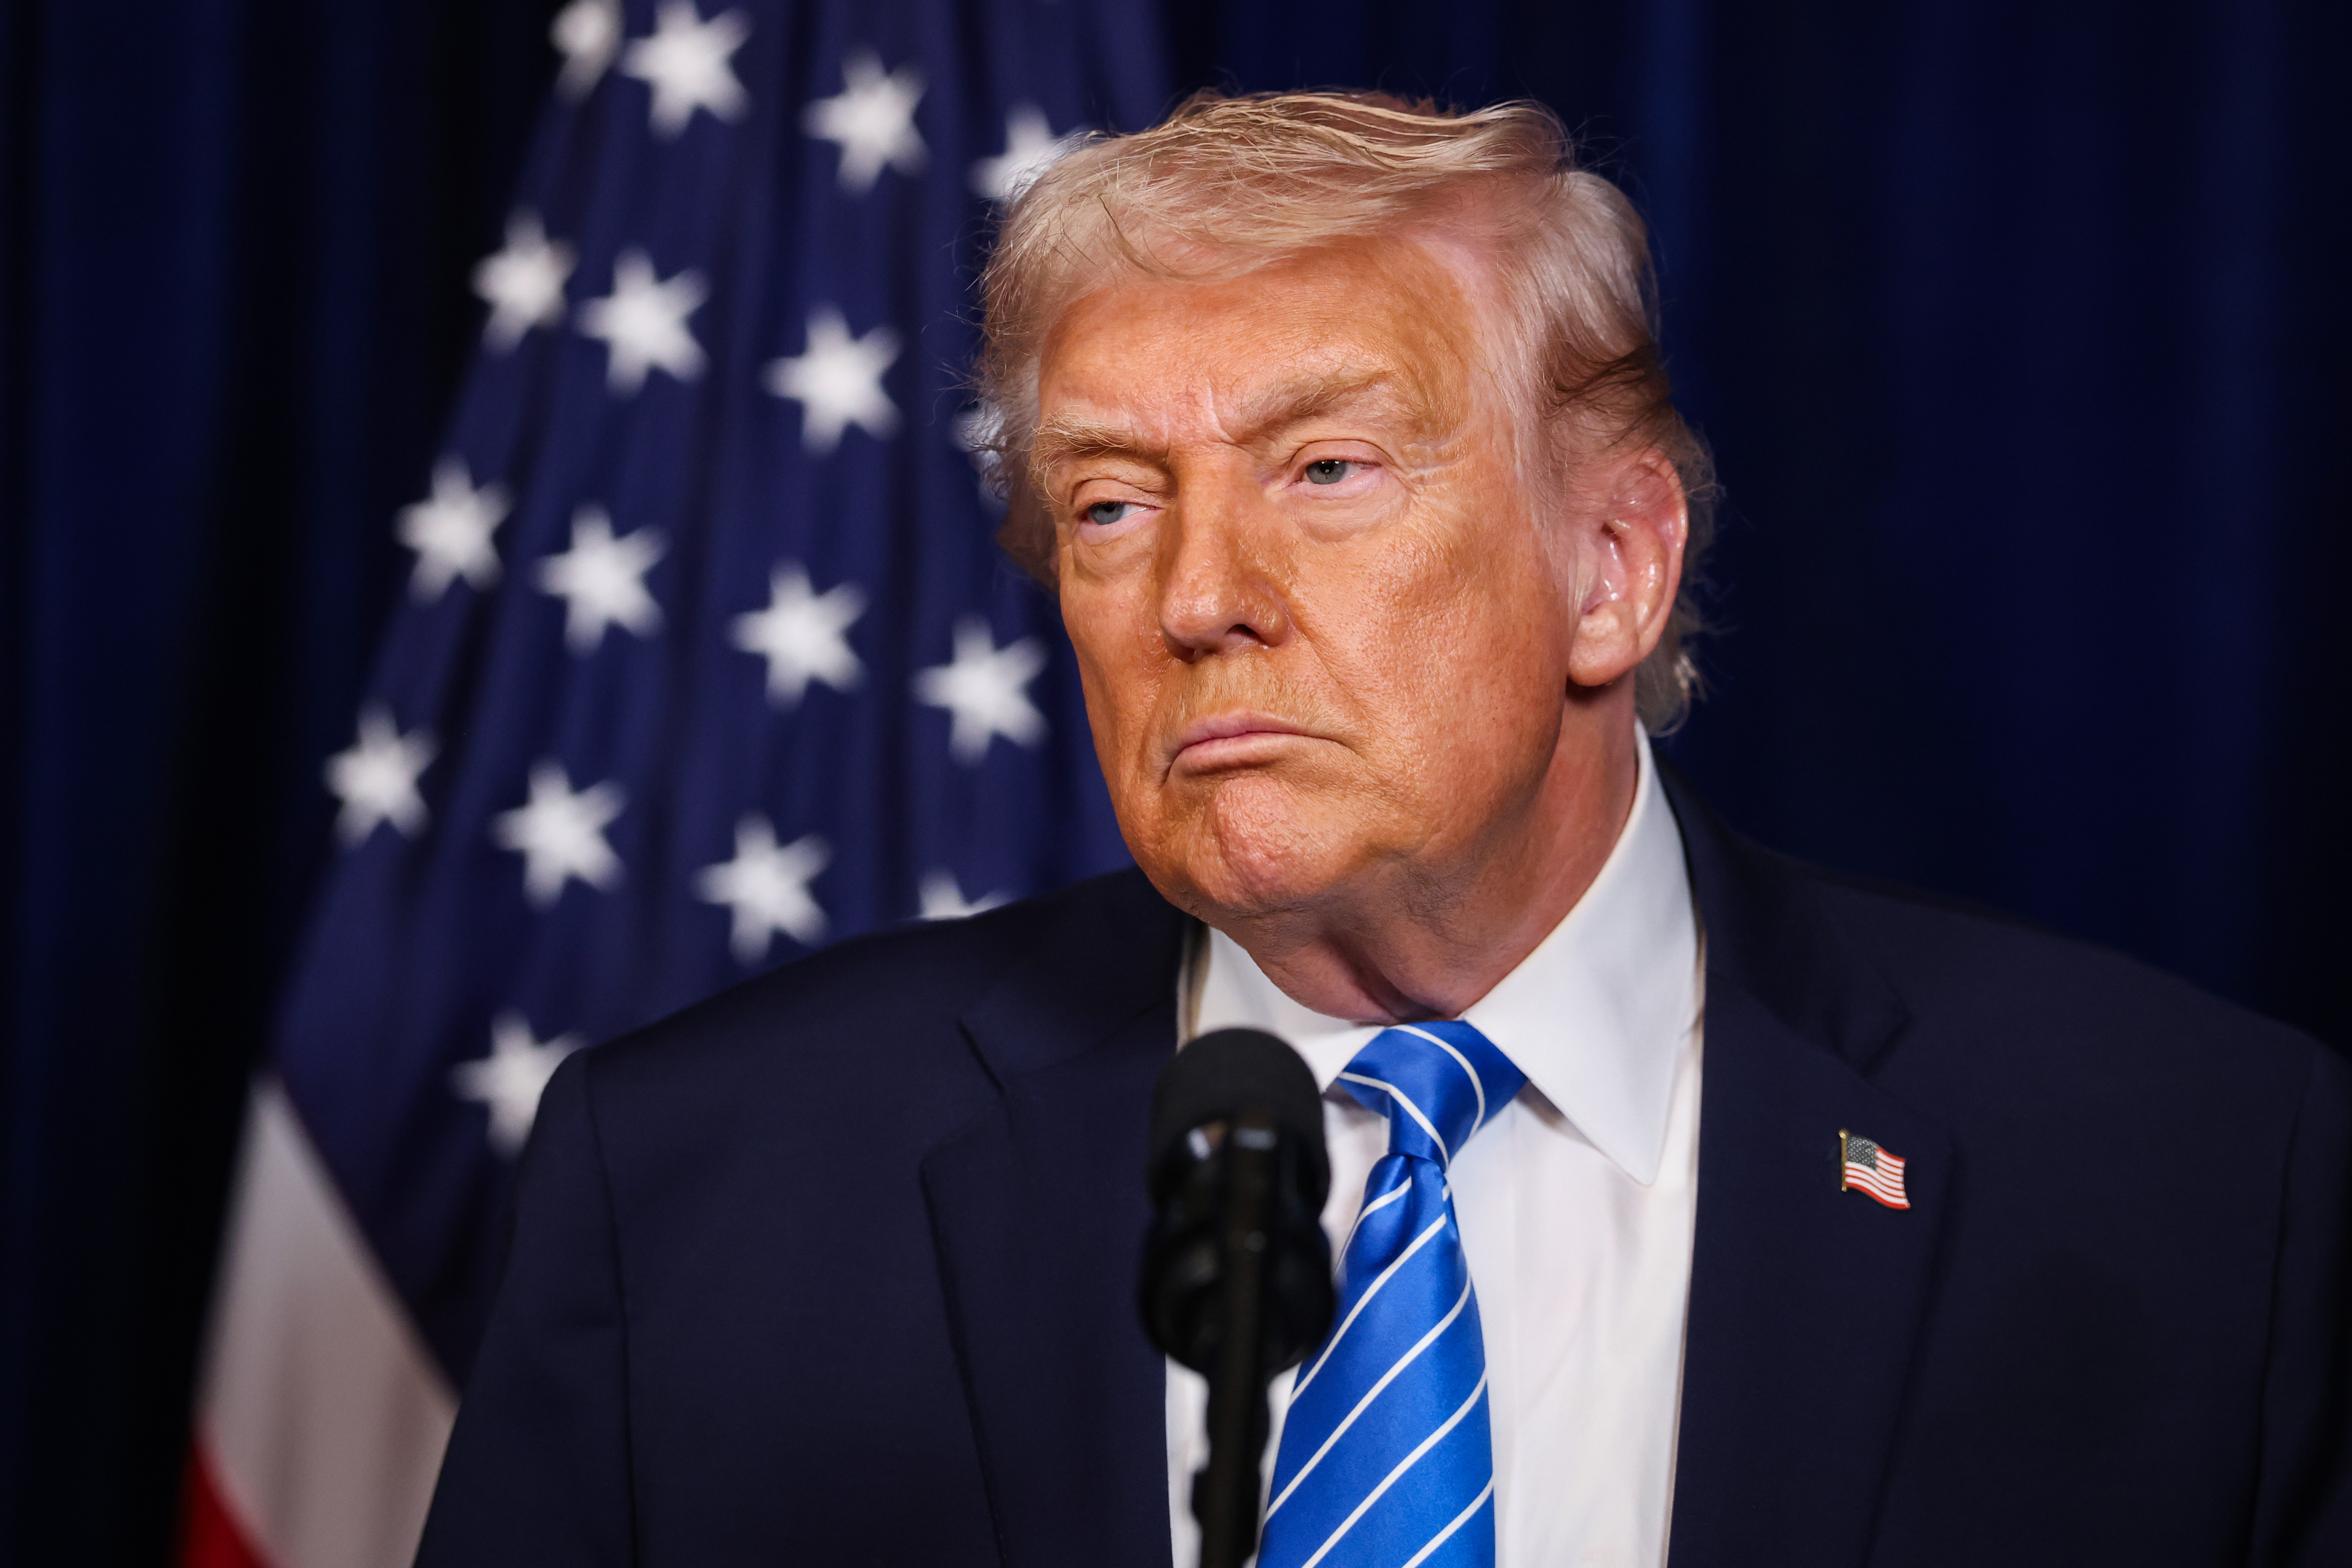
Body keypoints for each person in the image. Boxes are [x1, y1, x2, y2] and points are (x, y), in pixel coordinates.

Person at [415, 92, 2351, 1568]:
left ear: (1612, 566)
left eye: (1326, 469)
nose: (1195, 597)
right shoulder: (692, 1190)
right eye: (1109, 504)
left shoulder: (2195, 1177)